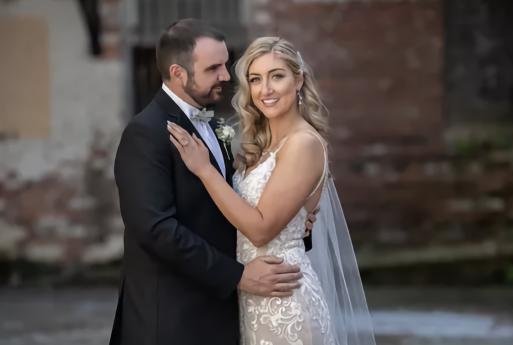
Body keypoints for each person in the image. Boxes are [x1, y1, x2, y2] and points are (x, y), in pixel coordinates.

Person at [111, 20, 316, 345]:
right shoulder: (147, 133)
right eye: (213, 68)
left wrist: (296, 221)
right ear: (179, 73)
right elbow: (156, 230)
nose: (225, 75)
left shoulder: (215, 124)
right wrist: (238, 276)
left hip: (223, 311)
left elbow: (226, 207)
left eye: (225, 63)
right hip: (172, 321)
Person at [167, 37, 376, 345]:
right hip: (254, 295)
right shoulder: (264, 146)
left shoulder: (303, 143)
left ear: (299, 79)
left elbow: (261, 229)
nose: (265, 90)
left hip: (285, 302)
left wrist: (204, 170)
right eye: (255, 79)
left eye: (277, 76)